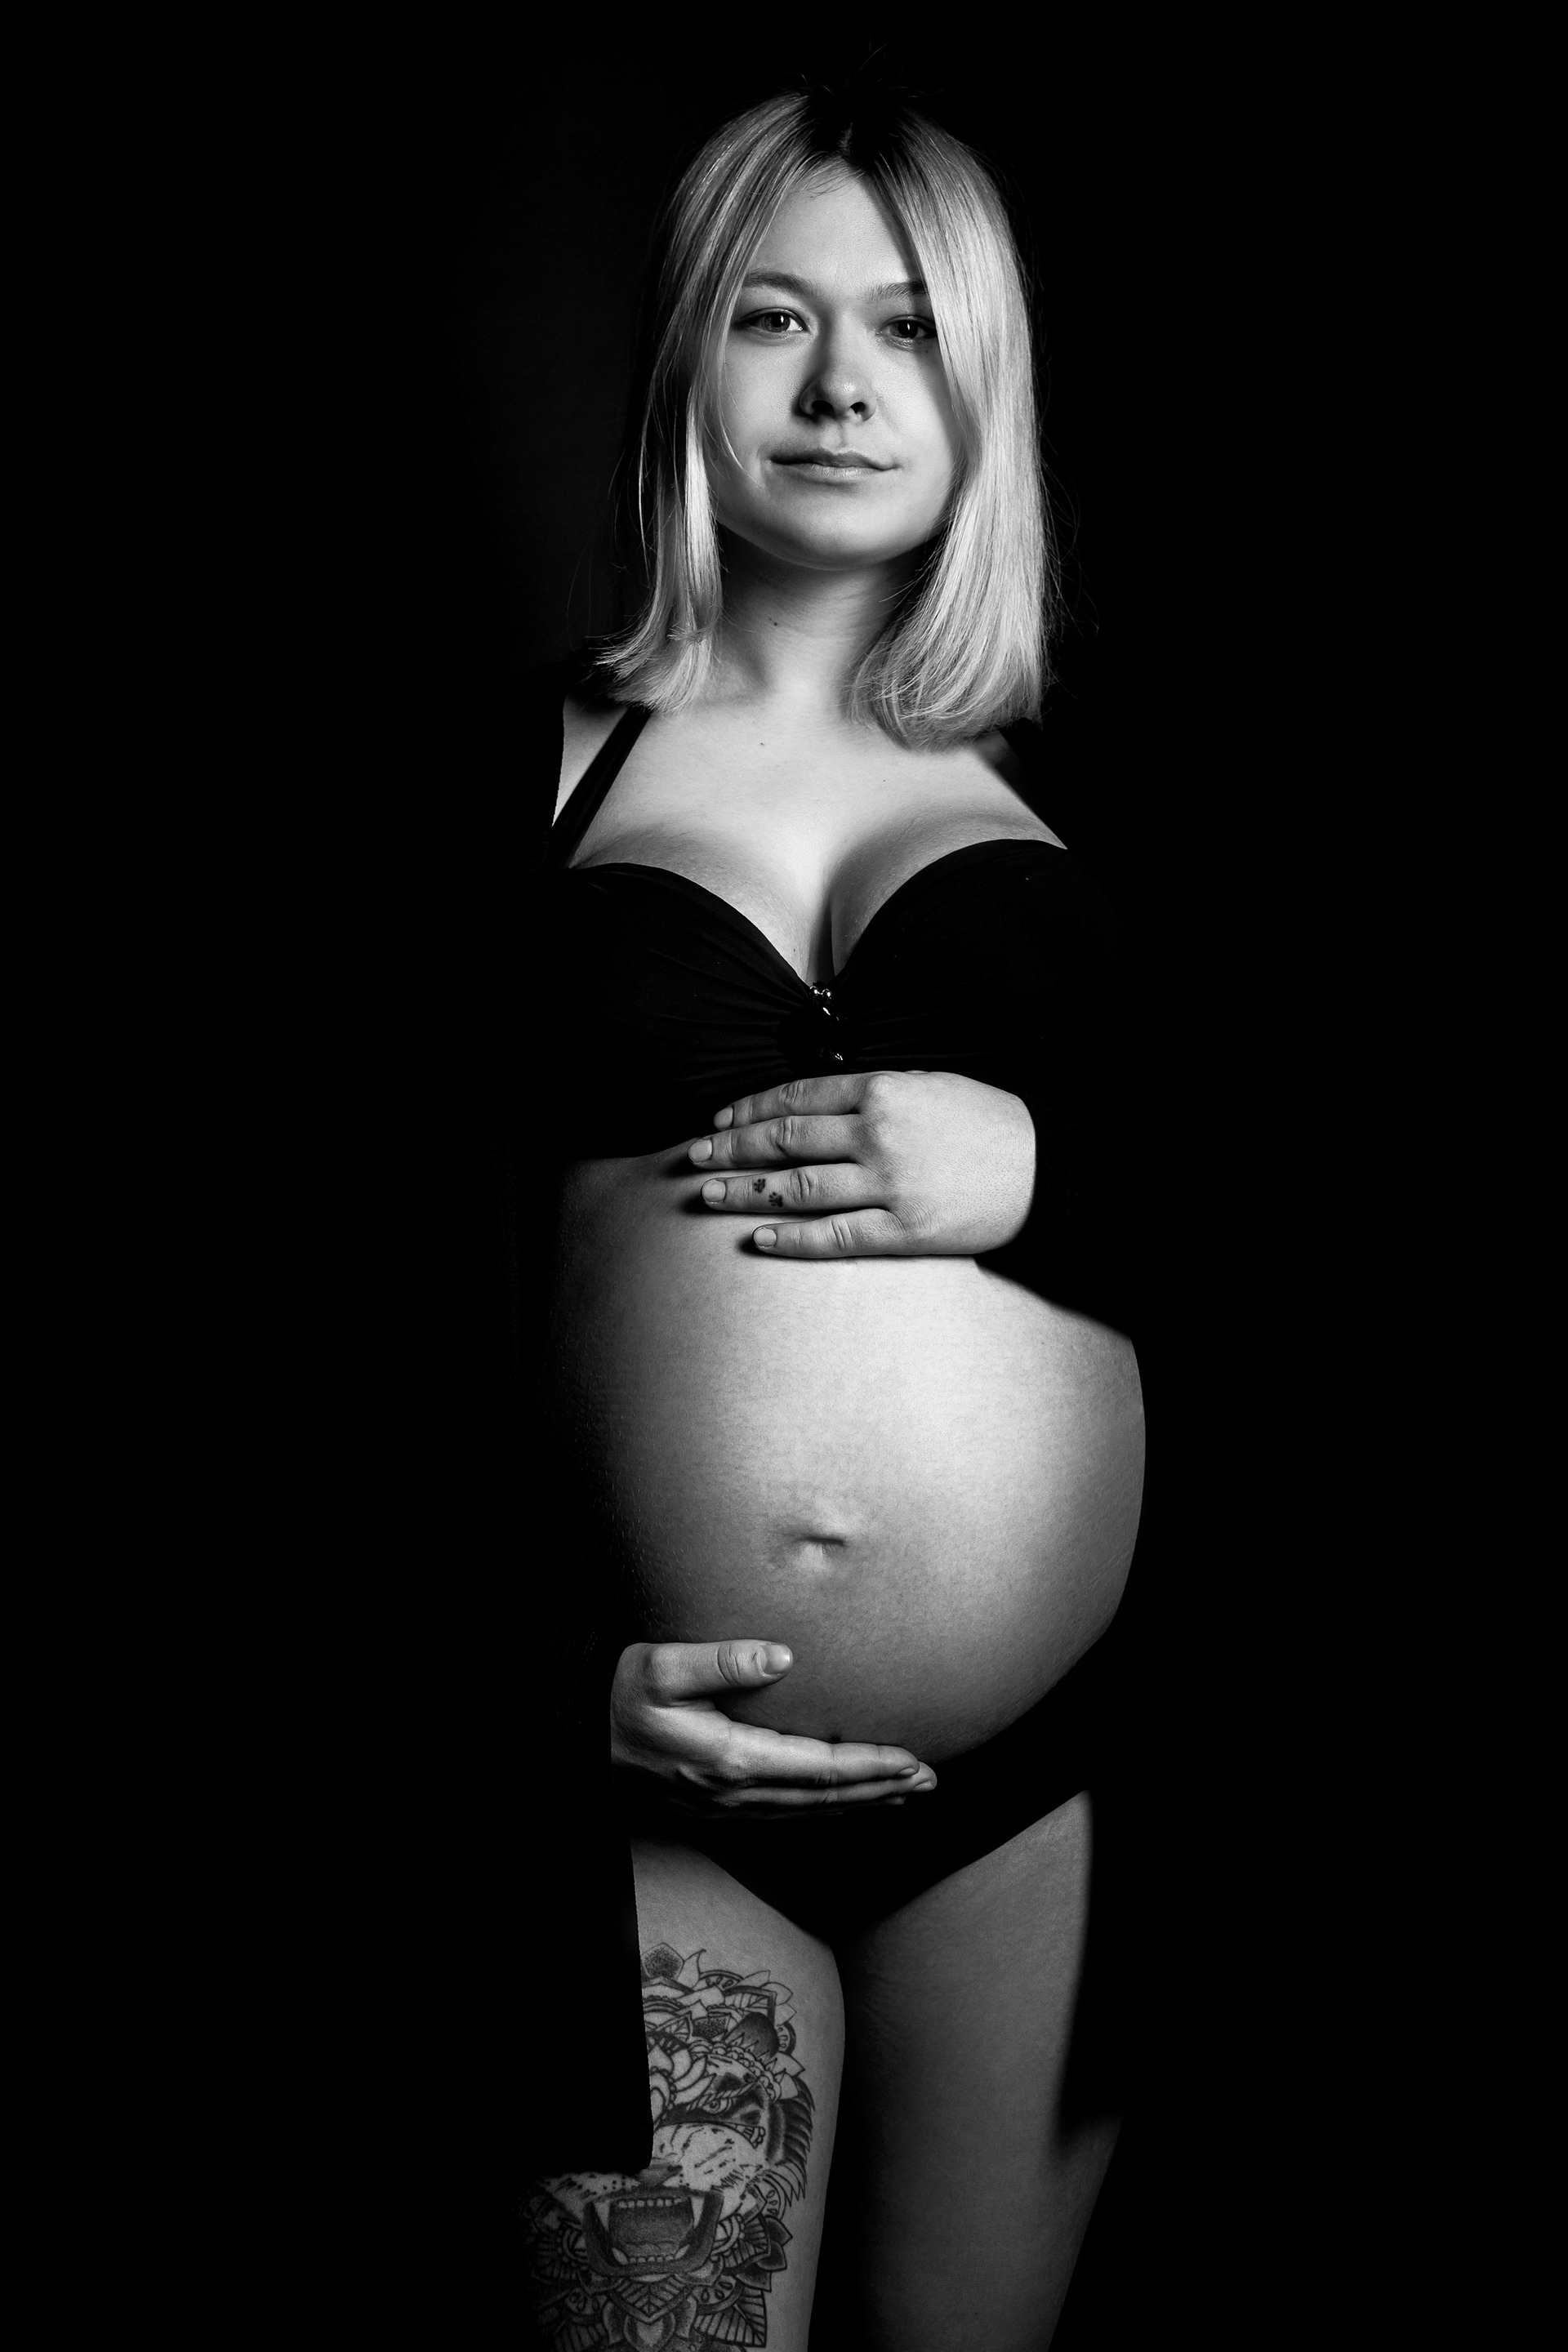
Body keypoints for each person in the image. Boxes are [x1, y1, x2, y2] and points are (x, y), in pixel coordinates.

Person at [501, 78, 1148, 2350]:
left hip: (1047, 1807)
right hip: (652, 1782)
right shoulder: (538, 768)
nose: (846, 383)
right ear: (691, 358)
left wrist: (1060, 1169)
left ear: (990, 377)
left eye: (910, 327)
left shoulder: (1108, 779)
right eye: (777, 316)